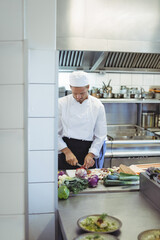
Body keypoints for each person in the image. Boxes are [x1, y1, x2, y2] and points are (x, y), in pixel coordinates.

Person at [58, 71, 107, 170]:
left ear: (88, 87)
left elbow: (100, 135)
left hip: (88, 151)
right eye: (75, 93)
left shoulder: (97, 105)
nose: (78, 97)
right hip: (66, 150)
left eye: (82, 93)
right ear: (70, 87)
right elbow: (54, 133)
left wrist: (91, 154)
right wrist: (67, 152)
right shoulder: (61, 104)